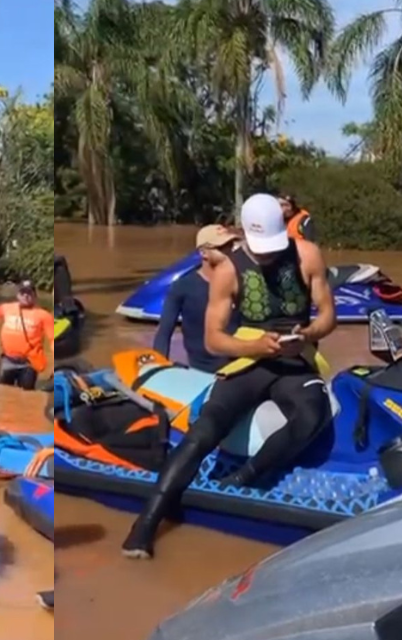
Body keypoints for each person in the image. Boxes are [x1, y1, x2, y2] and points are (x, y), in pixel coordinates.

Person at [122, 194, 337, 559]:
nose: (267, 256)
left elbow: (328, 315)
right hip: (249, 356)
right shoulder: (228, 271)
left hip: (296, 354)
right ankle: (145, 524)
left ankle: (245, 477)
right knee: (204, 431)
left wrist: (308, 334)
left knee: (313, 414)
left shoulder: (307, 255)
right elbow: (214, 338)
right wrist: (258, 348)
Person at [153, 225, 240, 372]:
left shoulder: (242, 281)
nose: (229, 252)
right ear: (203, 253)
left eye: (231, 246)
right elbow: (164, 333)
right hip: (203, 370)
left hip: (241, 366)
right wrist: (157, 369)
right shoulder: (182, 287)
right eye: (221, 248)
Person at [0, 280, 55, 390]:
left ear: (35, 296)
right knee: (1, 393)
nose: (26, 296)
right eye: (23, 293)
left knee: (27, 396)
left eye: (29, 293)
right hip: (7, 360)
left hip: (29, 363)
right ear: (18, 295)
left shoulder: (44, 316)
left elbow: (52, 340)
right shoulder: (6, 308)